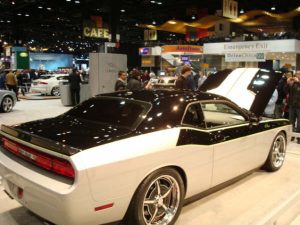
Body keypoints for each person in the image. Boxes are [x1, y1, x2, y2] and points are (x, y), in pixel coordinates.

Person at [287, 70, 300, 144]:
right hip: (292, 105)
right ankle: (291, 136)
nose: (297, 75)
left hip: (299, 106)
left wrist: (298, 82)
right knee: (291, 121)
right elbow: (285, 91)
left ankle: (298, 137)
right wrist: (287, 83)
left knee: (299, 123)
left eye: (299, 74)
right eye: (296, 74)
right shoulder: (293, 83)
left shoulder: (297, 83)